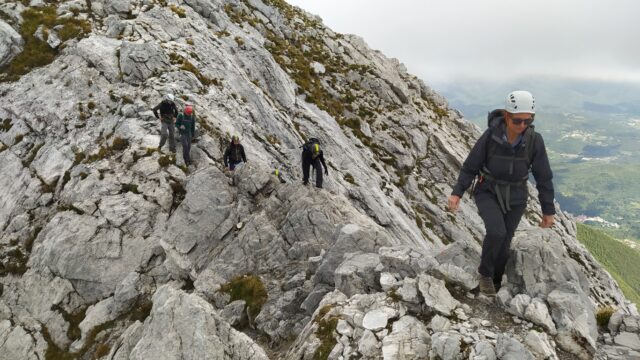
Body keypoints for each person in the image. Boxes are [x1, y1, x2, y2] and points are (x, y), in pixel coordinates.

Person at [448, 90, 555, 296]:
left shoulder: (534, 141)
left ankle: (496, 282)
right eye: (517, 121)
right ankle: (485, 274)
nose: (522, 125)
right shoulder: (490, 136)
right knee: (496, 232)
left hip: (517, 196)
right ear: (507, 115)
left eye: (528, 120)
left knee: (505, 243)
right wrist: (457, 193)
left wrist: (548, 211)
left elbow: (544, 177)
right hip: (488, 190)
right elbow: (470, 166)